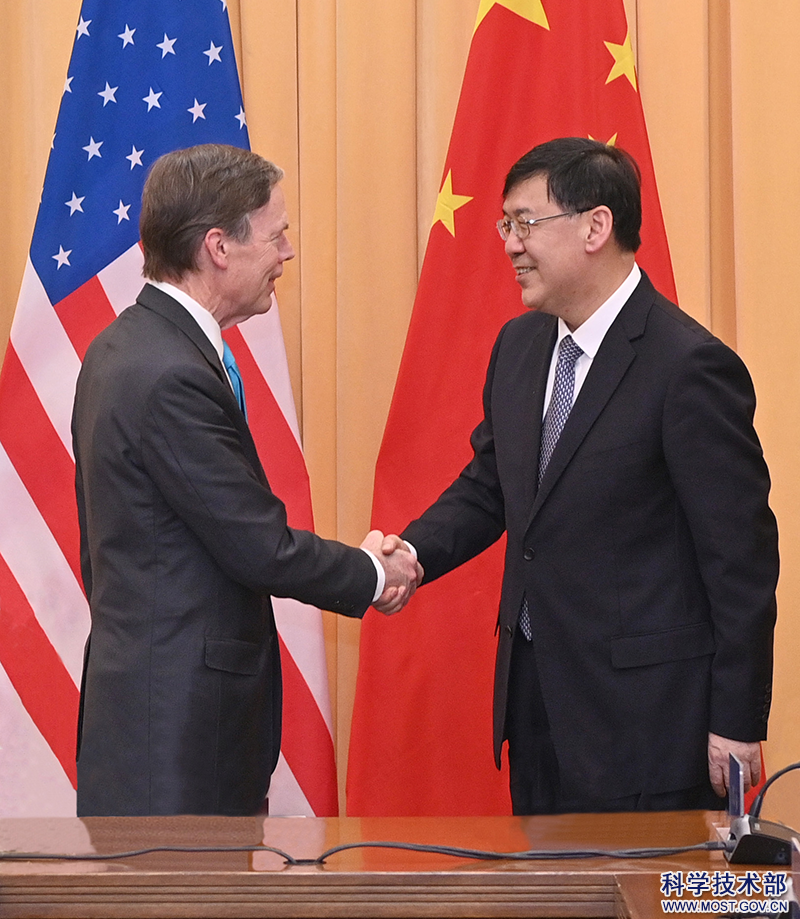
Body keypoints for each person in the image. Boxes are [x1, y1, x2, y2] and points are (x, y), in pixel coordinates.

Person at [393, 137, 778, 815]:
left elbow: (740, 561)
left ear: (596, 226)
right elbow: (491, 486)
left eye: (525, 222)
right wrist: (410, 554)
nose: (510, 244)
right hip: (536, 708)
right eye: (505, 225)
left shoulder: (688, 366)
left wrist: (737, 719)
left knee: (655, 883)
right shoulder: (519, 346)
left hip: (648, 725)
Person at [72, 143, 419, 817]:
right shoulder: (168, 374)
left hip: (158, 723)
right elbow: (259, 547)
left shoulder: (127, 347)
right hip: (175, 741)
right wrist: (374, 573)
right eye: (275, 234)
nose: (286, 253)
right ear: (218, 247)